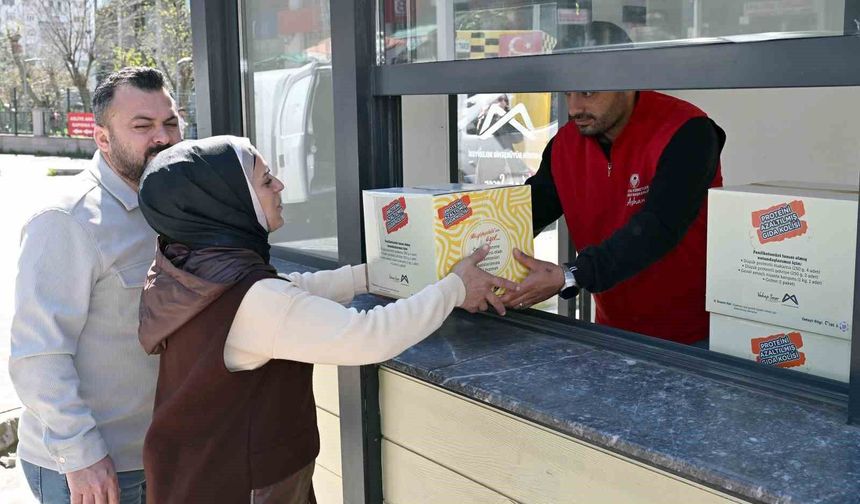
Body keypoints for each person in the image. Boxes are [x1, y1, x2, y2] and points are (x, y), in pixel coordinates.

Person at [136, 135, 515, 503]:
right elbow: (367, 336)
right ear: (226, 203)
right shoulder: (252, 301)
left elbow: (288, 290)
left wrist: (377, 274)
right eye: (266, 180)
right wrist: (455, 287)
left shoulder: (188, 267)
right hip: (240, 484)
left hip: (196, 470)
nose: (280, 184)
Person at [9, 67, 182, 504]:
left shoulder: (170, 203)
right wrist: (80, 455)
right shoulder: (66, 220)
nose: (162, 137)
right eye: (142, 126)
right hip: (92, 469)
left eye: (170, 122)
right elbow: (37, 356)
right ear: (102, 138)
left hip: (158, 455)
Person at [500, 87, 725, 345]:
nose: (574, 109)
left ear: (626, 84)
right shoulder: (565, 144)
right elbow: (529, 211)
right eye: (567, 94)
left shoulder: (688, 131)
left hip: (698, 336)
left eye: (587, 93)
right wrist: (470, 251)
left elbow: (660, 226)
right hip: (614, 331)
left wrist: (571, 274)